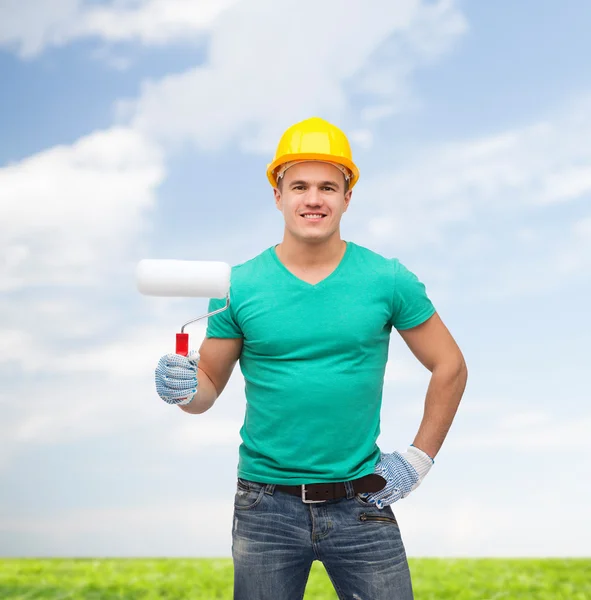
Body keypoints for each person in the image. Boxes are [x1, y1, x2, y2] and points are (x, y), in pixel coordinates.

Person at [154, 117, 468, 599]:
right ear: (278, 195)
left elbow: (450, 365)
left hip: (363, 499)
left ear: (347, 196)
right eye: (299, 185)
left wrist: (418, 460)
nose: (313, 198)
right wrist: (184, 387)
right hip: (264, 508)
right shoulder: (239, 286)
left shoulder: (387, 279)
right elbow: (208, 388)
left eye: (328, 186)